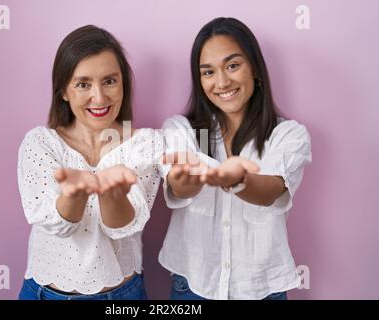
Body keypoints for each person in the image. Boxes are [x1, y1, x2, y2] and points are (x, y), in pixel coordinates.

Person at [160, 17, 312, 300]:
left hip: (262, 288)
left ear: (254, 68)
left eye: (232, 65)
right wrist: (187, 177)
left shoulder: (286, 135)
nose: (222, 82)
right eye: (208, 72)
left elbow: (269, 192)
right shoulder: (183, 130)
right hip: (194, 285)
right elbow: (181, 187)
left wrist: (239, 179)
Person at [17, 25, 164, 300]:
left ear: (124, 84)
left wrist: (111, 193)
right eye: (83, 84)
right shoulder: (40, 143)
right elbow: (60, 225)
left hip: (122, 297)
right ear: (63, 91)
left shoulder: (145, 144)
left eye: (109, 81)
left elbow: (122, 227)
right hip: (45, 294)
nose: (99, 97)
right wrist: (76, 194)